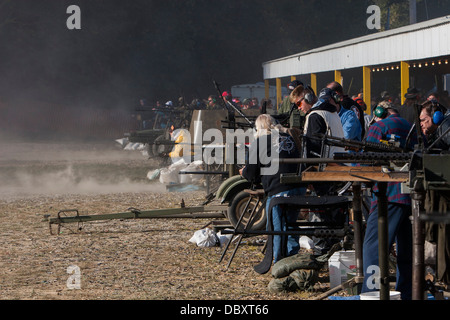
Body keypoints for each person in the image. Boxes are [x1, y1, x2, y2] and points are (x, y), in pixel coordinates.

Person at [361, 100, 416, 300]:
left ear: (379, 112)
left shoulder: (379, 126)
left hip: (389, 195)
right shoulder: (411, 126)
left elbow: (366, 161)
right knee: (407, 251)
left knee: (373, 247)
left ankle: (372, 292)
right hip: (412, 195)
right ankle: (407, 293)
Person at [240, 114, 305, 264]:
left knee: (276, 227)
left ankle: (278, 261)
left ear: (259, 129)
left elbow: (251, 173)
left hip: (279, 189)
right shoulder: (287, 136)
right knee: (291, 223)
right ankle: (292, 257)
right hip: (299, 186)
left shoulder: (260, 141)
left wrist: (243, 172)